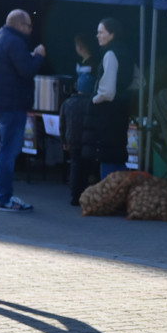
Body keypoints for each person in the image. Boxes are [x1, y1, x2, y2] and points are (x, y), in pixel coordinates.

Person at [0, 9, 46, 212]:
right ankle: (5, 198)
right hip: (13, 105)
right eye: (28, 26)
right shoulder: (15, 42)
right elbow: (26, 70)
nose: (30, 30)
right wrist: (38, 56)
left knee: (3, 151)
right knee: (9, 152)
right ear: (20, 25)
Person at [92, 17, 136, 179]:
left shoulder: (110, 54)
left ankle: (109, 197)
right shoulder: (126, 52)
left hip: (109, 113)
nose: (98, 36)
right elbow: (139, 81)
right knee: (119, 154)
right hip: (123, 109)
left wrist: (94, 99)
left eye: (101, 32)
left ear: (112, 34)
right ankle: (119, 195)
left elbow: (107, 92)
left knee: (108, 155)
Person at [60, 33, 98, 206]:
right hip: (89, 141)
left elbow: (62, 123)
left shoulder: (68, 103)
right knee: (89, 166)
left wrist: (64, 140)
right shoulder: (93, 104)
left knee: (75, 167)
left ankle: (75, 196)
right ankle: (89, 196)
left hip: (73, 139)